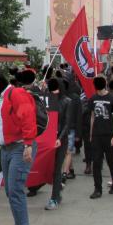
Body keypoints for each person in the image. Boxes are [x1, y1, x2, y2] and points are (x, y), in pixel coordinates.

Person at [0, 69, 37, 225]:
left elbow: (28, 117)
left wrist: (28, 144)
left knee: (15, 189)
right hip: (9, 147)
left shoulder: (15, 94)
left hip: (19, 147)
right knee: (11, 190)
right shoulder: (6, 95)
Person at [88, 76, 113, 199]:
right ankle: (97, 189)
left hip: (109, 135)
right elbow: (92, 117)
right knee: (96, 162)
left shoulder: (112, 99)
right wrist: (91, 134)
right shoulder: (93, 99)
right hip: (96, 135)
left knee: (111, 161)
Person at [45, 77, 74, 210]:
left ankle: (54, 197)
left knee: (57, 169)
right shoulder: (48, 100)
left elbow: (67, 123)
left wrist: (60, 138)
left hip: (60, 140)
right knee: (48, 168)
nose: (54, 92)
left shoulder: (67, 101)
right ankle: (56, 193)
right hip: (47, 138)